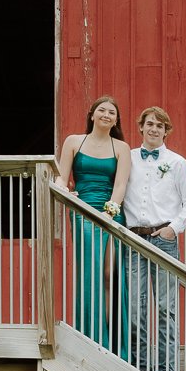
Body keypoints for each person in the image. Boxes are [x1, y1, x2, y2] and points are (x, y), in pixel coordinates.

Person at [122, 106, 186, 371]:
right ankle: (140, 368)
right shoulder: (127, 158)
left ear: (166, 131)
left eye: (160, 126)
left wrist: (173, 229)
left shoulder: (177, 163)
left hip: (164, 240)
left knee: (166, 308)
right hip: (133, 239)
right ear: (141, 127)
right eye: (150, 124)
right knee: (135, 307)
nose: (154, 129)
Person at [56, 95, 132, 352]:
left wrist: (110, 211)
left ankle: (112, 341)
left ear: (115, 120)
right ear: (92, 115)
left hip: (111, 213)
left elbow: (120, 184)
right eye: (102, 110)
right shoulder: (74, 142)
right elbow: (60, 178)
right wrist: (67, 194)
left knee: (110, 274)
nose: (106, 114)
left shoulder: (120, 147)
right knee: (91, 275)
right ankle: (91, 338)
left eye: (112, 112)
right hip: (82, 212)